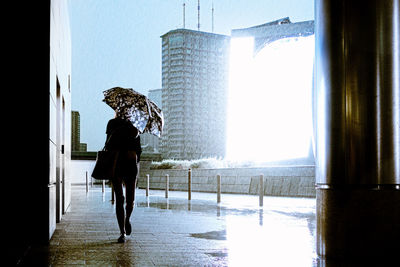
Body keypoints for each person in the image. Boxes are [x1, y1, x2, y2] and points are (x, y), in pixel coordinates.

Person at [105, 111, 142, 243]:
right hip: (116, 163)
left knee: (130, 200)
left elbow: (139, 149)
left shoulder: (135, 127)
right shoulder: (112, 123)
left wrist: (135, 156)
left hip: (130, 164)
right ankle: (122, 232)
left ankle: (127, 219)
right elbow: (108, 144)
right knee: (119, 199)